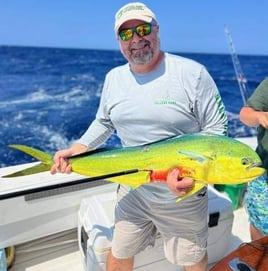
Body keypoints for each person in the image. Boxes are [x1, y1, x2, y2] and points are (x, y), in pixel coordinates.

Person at [51, 2, 228, 271]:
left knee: (192, 261)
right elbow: (104, 121)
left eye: (143, 29)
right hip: (134, 189)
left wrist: (190, 177)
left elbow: (216, 133)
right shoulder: (114, 78)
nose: (136, 39)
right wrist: (78, 148)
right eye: (126, 34)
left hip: (183, 198)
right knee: (119, 253)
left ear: (157, 30)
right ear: (119, 41)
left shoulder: (192, 74)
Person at [239, 78, 268, 241]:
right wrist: (259, 116)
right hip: (264, 172)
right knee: (258, 222)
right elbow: (245, 114)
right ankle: (257, 256)